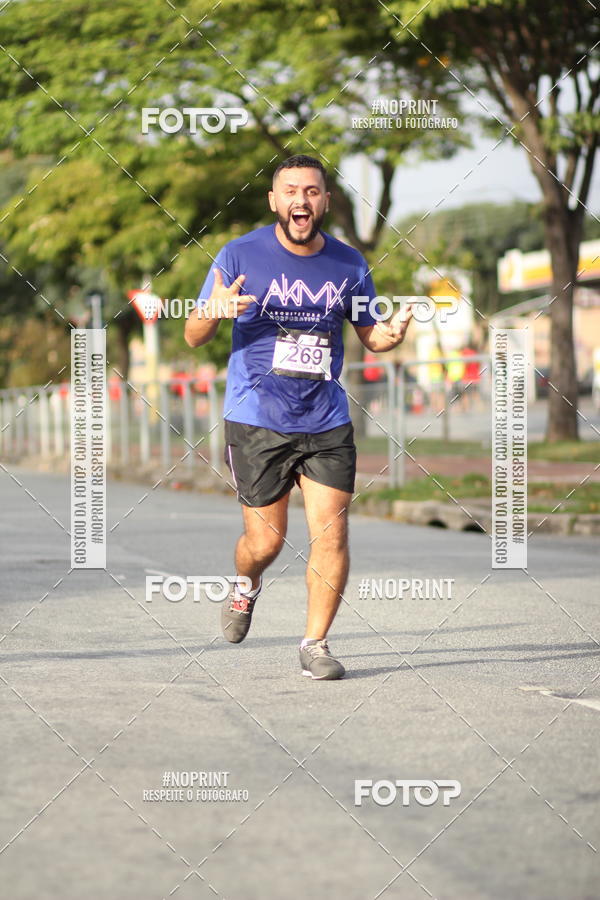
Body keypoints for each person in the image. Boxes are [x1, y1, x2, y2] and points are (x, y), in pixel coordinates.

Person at [184, 154, 412, 681]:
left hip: (326, 418)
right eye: (290, 191)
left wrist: (389, 337)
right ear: (274, 201)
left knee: (331, 536)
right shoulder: (238, 256)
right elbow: (194, 335)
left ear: (326, 200)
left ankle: (315, 643)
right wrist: (210, 314)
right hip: (257, 416)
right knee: (264, 543)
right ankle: (245, 585)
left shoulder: (351, 264)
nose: (300, 200)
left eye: (311, 191)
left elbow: (369, 336)